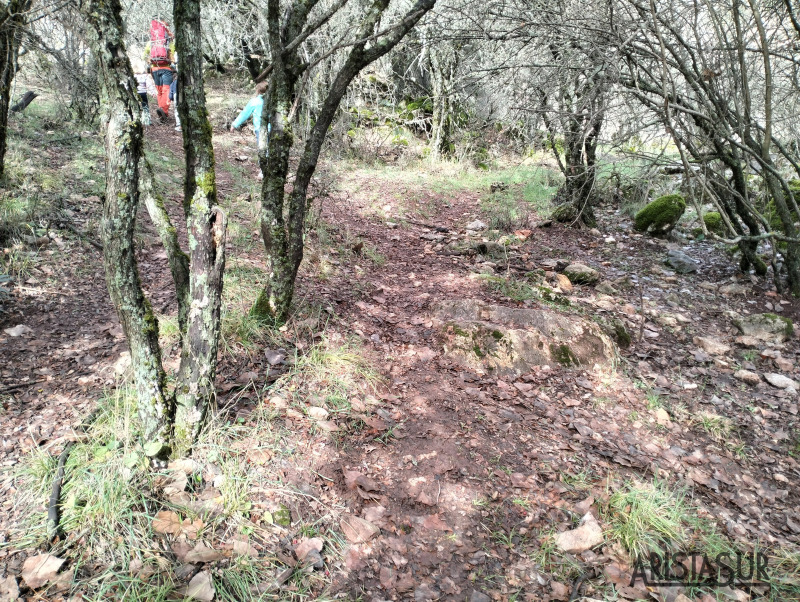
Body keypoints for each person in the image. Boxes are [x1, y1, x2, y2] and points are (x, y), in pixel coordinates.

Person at [143, 19, 175, 120]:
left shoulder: (151, 42)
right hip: (166, 68)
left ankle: (161, 112)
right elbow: (173, 55)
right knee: (167, 90)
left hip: (154, 69)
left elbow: (144, 55)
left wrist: (149, 62)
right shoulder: (168, 42)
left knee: (160, 91)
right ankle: (164, 111)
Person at [230, 81, 270, 147]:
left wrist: (234, 124)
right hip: (273, 129)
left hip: (260, 129)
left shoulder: (254, 101)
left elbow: (244, 114)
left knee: (263, 150)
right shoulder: (273, 101)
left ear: (258, 90)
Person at [133, 61, 151, 126]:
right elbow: (149, 84)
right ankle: (147, 121)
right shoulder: (144, 76)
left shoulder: (133, 76)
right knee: (145, 106)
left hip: (135, 93)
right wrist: (152, 92)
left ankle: (137, 119)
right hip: (143, 93)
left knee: (136, 106)